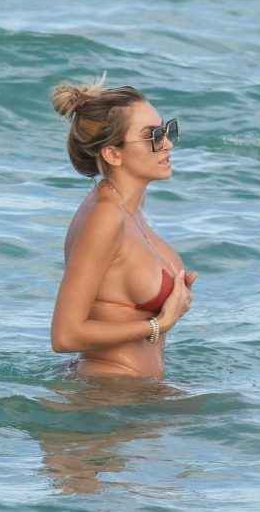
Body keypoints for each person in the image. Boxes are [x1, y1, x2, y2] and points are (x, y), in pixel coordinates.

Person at [49, 77, 197, 378]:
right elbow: (65, 336)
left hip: (135, 393)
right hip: (108, 395)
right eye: (152, 136)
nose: (167, 143)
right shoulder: (105, 217)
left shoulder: (128, 209)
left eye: (165, 130)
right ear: (113, 154)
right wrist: (159, 324)